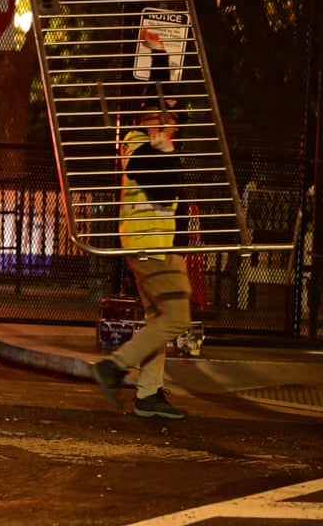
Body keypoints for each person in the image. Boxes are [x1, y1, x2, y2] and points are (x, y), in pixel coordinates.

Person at [90, 100, 192, 419]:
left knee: (158, 320)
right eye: (165, 116)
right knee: (176, 318)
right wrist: (164, 152)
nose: (171, 123)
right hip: (151, 246)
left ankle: (148, 393)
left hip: (153, 244)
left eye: (173, 118)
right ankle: (114, 366)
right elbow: (152, 181)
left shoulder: (155, 145)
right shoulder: (138, 141)